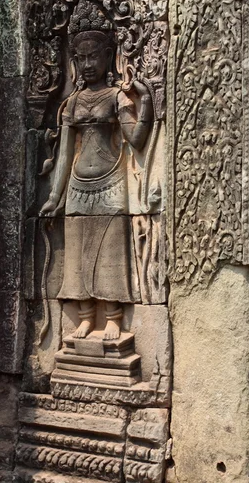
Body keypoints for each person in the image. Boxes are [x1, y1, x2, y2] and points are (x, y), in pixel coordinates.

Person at [40, 28, 152, 340]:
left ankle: (114, 317)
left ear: (107, 57)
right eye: (82, 58)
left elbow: (136, 138)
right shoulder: (73, 102)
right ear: (75, 62)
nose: (88, 64)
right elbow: (63, 154)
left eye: (94, 56)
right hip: (78, 186)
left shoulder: (117, 97)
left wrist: (143, 101)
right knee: (77, 254)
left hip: (111, 182)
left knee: (111, 251)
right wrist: (54, 195)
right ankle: (86, 317)